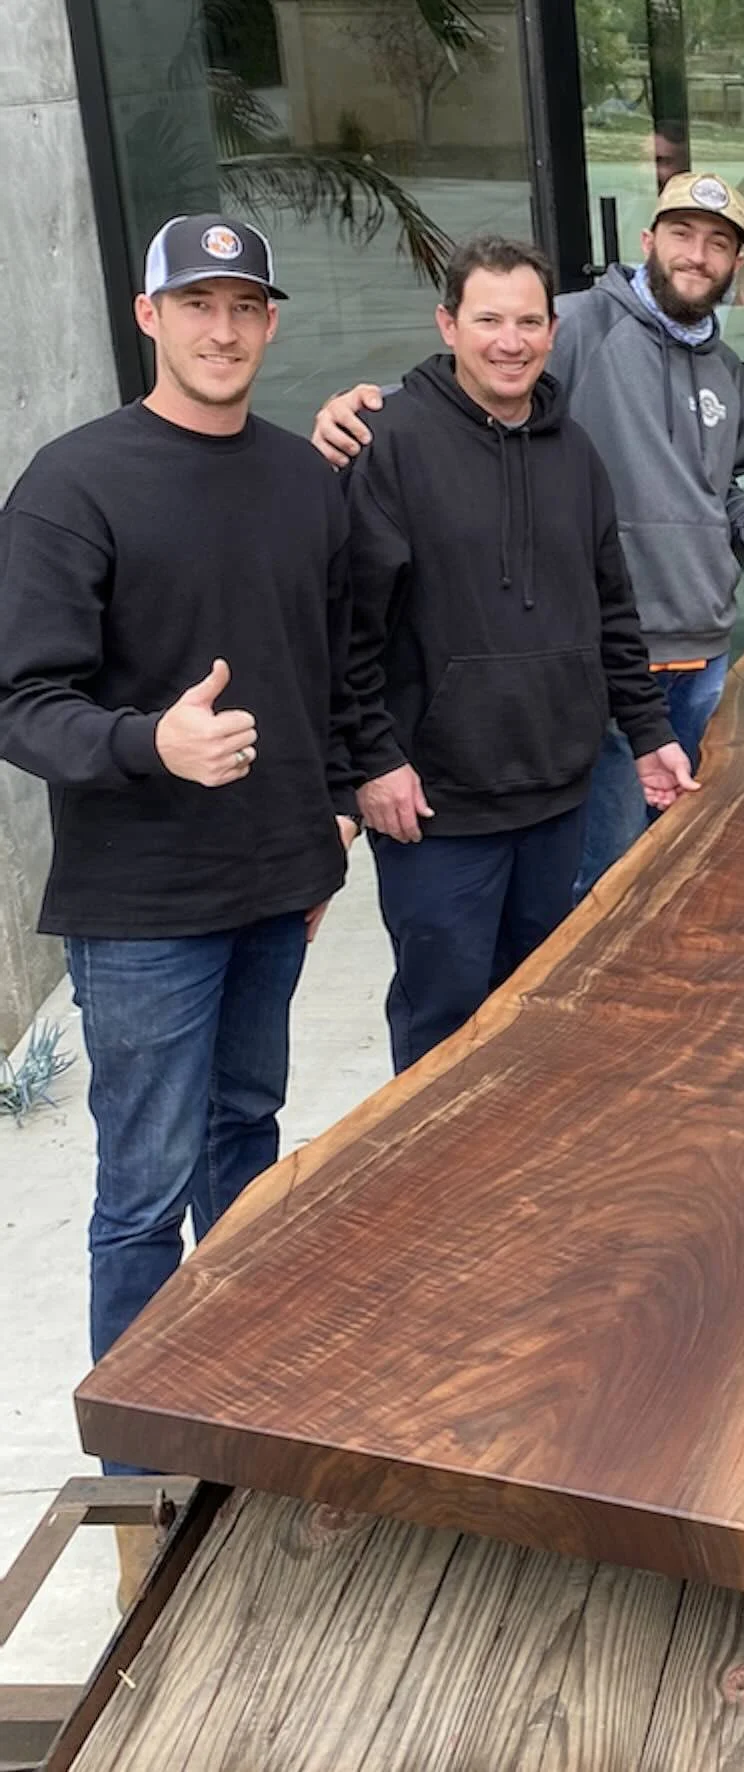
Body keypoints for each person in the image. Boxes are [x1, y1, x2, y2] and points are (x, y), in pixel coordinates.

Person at [0, 213, 357, 1597]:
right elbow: (26, 705)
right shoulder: (72, 485)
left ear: (270, 323)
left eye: (246, 306)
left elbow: (330, 666)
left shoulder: (300, 485)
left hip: (274, 888)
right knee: (143, 1190)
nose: (224, 329)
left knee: (244, 1154)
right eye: (196, 305)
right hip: (142, 904)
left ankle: (249, 1412)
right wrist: (153, 742)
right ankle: (148, 1482)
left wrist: (321, 833)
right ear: (147, 319)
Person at [309, 172, 744, 896]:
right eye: (682, 235)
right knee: (602, 881)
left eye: (717, 243)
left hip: (703, 652)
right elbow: (480, 370)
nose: (697, 255)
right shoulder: (580, 322)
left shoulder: (723, 367)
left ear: (734, 264)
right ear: (649, 241)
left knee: (682, 864)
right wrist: (360, 409)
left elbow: (721, 498)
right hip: (606, 661)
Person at [342, 236, 697, 1073]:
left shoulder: (576, 454)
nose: (512, 340)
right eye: (489, 319)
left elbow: (613, 610)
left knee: (537, 1016)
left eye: (529, 321)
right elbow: (348, 630)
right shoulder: (389, 444)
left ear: (552, 331)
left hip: (556, 798)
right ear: (449, 324)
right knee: (443, 1025)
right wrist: (373, 761)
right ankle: (437, 1195)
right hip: (437, 809)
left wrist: (649, 735)